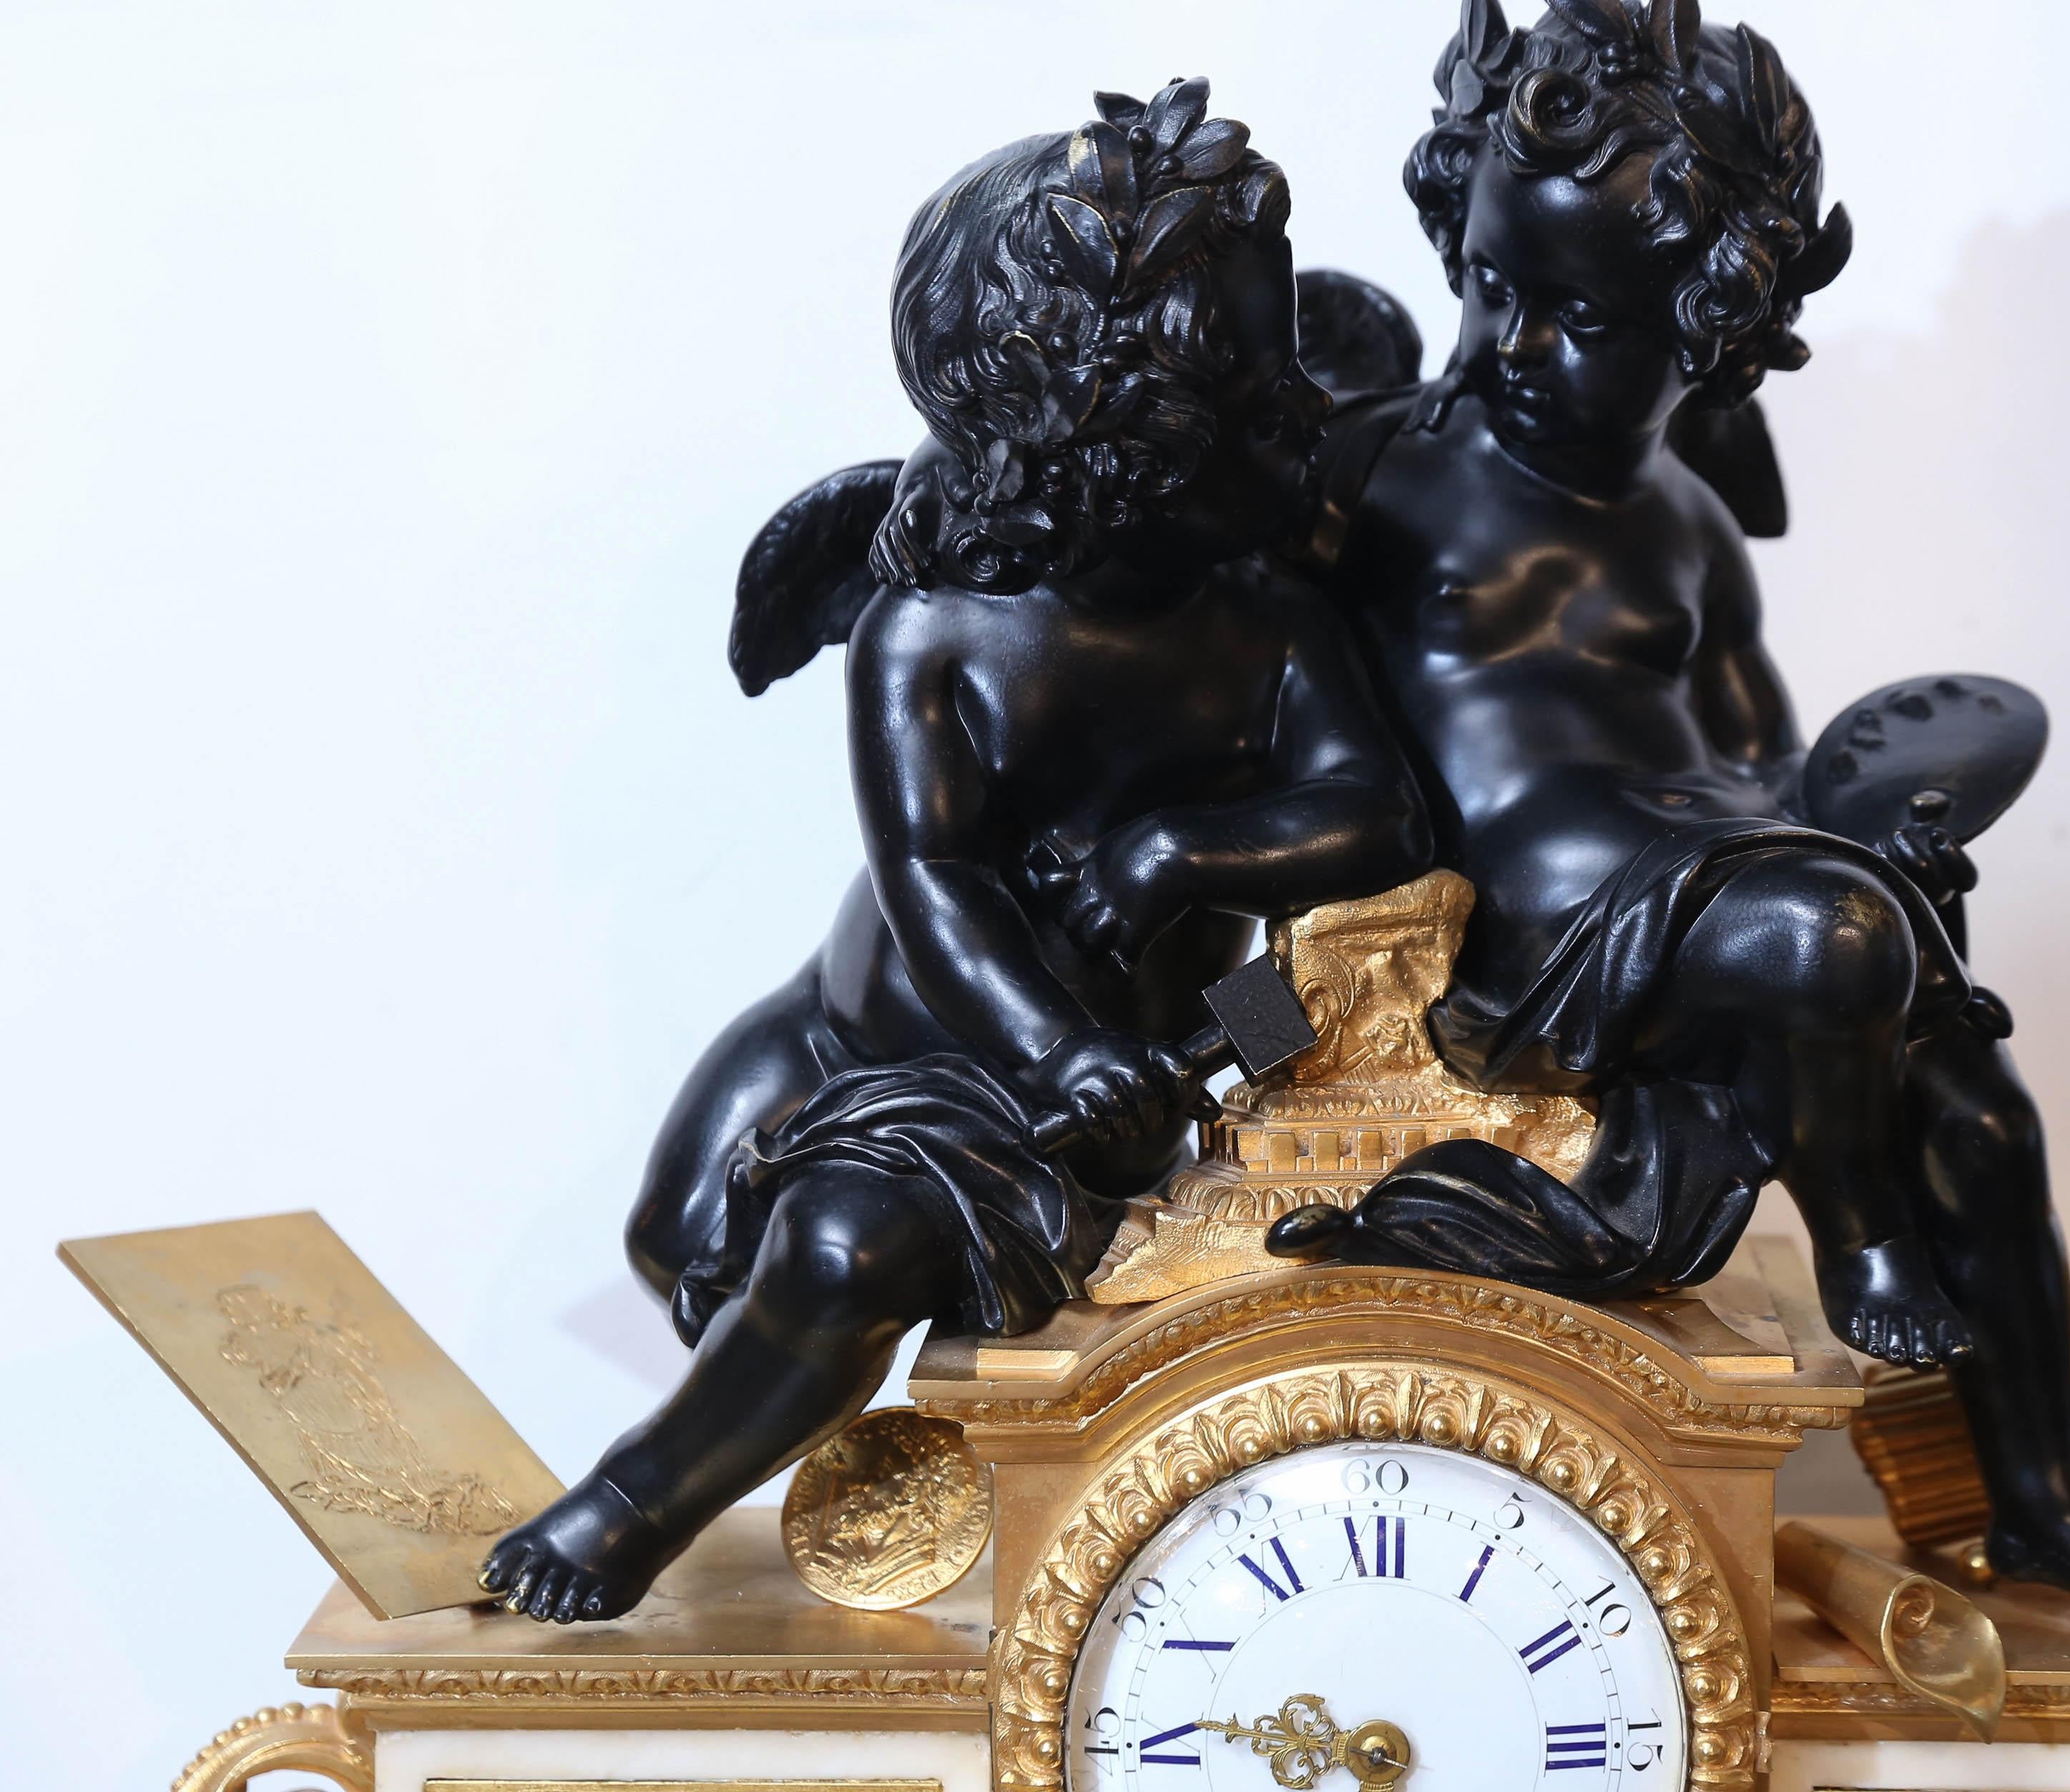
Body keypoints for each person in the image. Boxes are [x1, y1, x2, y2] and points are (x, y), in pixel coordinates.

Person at [1270, 0, 2070, 1631]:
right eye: (1488, 283)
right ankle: (1860, 1246)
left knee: (1981, 1117)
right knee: (1830, 938)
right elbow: (1245, 702)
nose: (1507, 344)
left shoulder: (1683, 521)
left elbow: (1757, 740)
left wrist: (1874, 808)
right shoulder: (1377, 477)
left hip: (1719, 867)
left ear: (1706, 324)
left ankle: (2040, 1503)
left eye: (1575, 316)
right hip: (1531, 926)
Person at [482, 82, 1431, 1622]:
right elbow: (932, 877)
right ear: (1102, 422)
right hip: (851, 1018)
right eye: (1256, 391)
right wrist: (1048, 1030)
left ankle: (626, 1501)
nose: (1301, 417)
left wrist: (1176, 878)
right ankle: (837, 1416)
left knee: (841, 1250)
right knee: (677, 1235)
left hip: (1109, 1080)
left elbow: (1377, 825)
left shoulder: (1265, 626)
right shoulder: (930, 631)